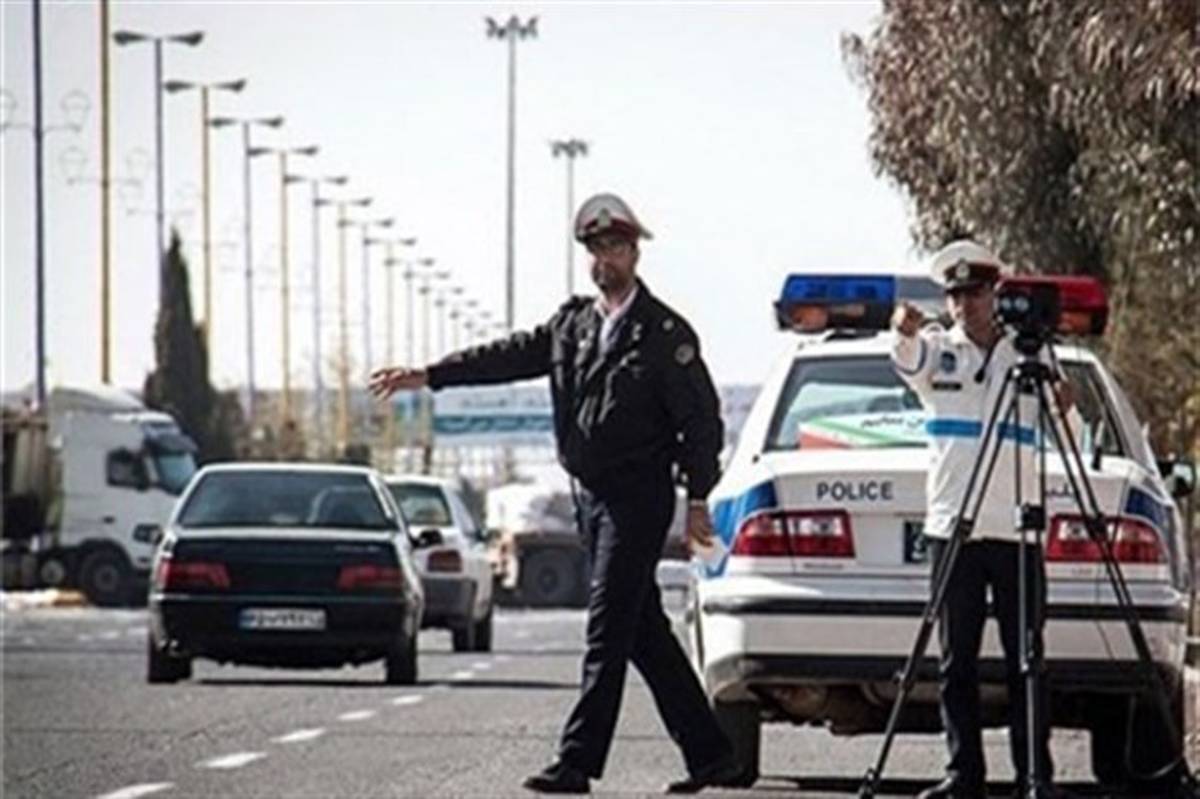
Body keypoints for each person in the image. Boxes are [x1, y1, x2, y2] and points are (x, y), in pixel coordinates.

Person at [370, 193, 748, 795]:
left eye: (615, 248)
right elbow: (505, 357)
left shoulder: (664, 334)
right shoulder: (573, 326)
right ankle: (712, 756)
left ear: (635, 253)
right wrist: (430, 375)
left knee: (606, 625)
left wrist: (698, 497)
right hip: (591, 498)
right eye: (595, 250)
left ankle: (576, 762)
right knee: (642, 630)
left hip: (639, 498)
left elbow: (701, 423)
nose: (605, 260)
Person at [890, 240, 1077, 799]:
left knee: (1028, 660)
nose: (964, 304)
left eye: (974, 292)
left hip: (1017, 529)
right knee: (957, 662)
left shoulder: (1029, 354)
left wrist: (1065, 403)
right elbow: (905, 359)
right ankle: (963, 773)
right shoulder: (936, 351)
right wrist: (902, 330)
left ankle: (1034, 775)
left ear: (994, 294)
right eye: (955, 295)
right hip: (955, 527)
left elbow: (1066, 433)